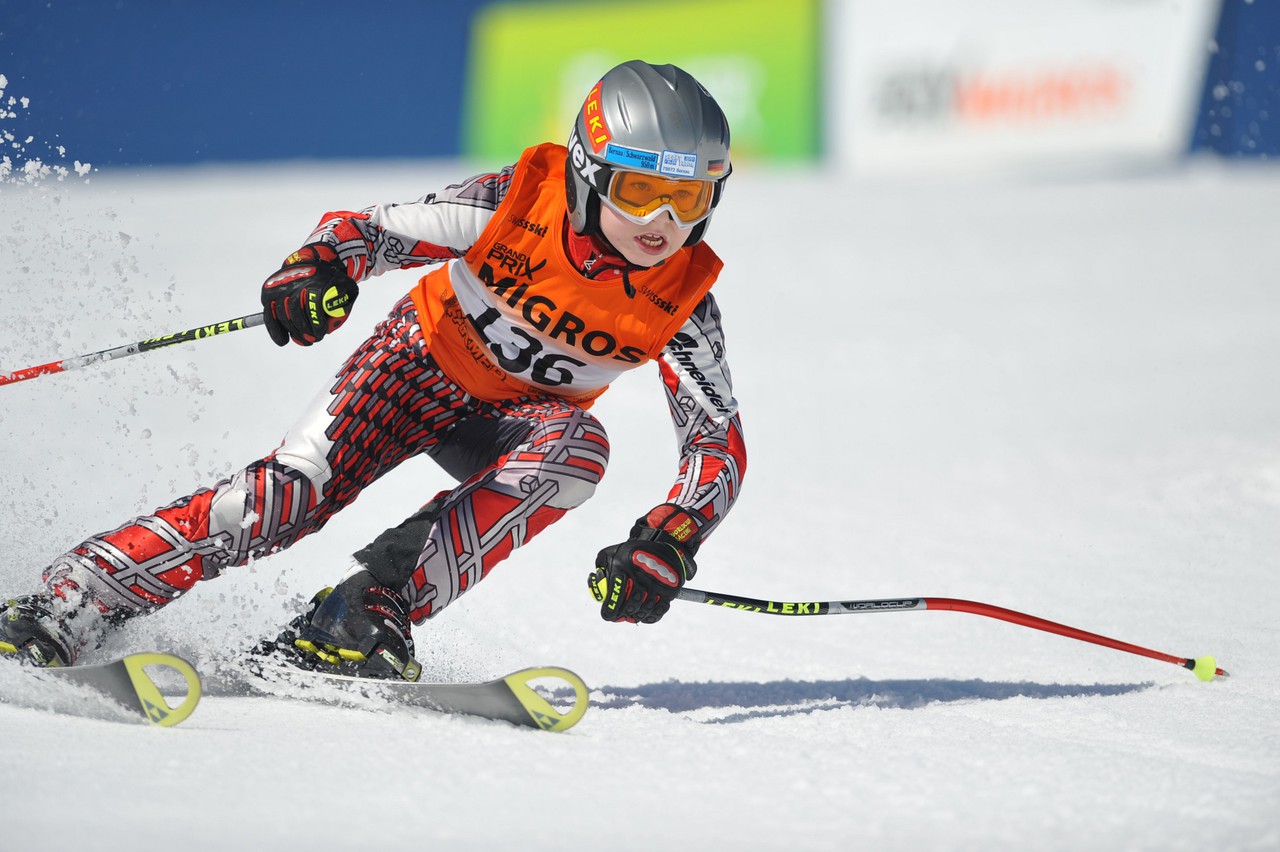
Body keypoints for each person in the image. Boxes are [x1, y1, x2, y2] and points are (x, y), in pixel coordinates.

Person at [0, 60, 747, 680]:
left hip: (510, 424)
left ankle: (359, 612)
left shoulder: (682, 300)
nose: (662, 223)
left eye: (688, 198)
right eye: (639, 192)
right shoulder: (517, 205)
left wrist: (670, 539)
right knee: (287, 500)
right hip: (414, 367)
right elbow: (369, 230)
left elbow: (715, 443)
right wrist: (317, 268)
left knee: (578, 452)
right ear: (587, 172)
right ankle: (74, 600)